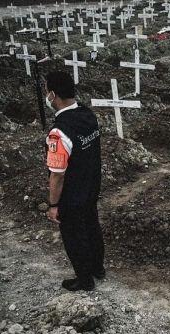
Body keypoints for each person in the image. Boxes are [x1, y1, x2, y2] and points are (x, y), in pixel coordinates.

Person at [44, 71, 105, 291]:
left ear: (53, 94)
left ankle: (84, 279)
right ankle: (98, 268)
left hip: (72, 194)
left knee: (74, 236)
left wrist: (53, 205)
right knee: (92, 227)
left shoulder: (59, 132)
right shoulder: (87, 114)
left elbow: (57, 174)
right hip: (91, 185)